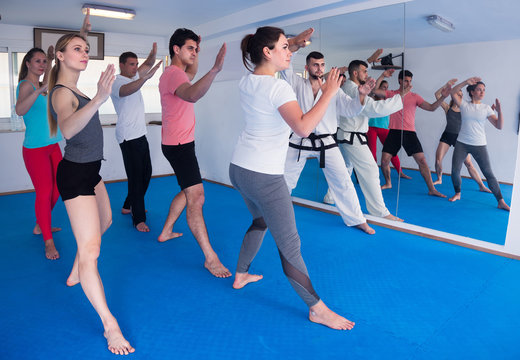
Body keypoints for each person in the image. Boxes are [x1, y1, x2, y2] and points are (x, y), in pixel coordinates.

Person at [231, 26, 355, 331]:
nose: (290, 52)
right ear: (267, 52)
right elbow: (302, 127)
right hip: (265, 177)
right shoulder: (278, 88)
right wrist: (328, 93)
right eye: (285, 47)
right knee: (290, 245)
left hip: (239, 169)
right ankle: (317, 309)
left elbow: (273, 70)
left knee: (260, 221)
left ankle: (241, 273)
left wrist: (295, 43)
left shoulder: (247, 81)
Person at [48, 33, 134, 355]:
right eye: (76, 49)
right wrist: (99, 99)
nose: (84, 53)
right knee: (92, 250)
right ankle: (110, 325)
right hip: (74, 177)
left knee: (106, 221)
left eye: (86, 49)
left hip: (90, 172)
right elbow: (67, 129)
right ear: (60, 56)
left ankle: (76, 269)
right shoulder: (61, 93)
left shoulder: (79, 89)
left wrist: (96, 95)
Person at [280, 32, 375, 234]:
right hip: (300, 140)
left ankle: (357, 219)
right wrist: (295, 46)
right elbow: (286, 67)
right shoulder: (297, 84)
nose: (319, 68)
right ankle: (274, 213)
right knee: (284, 180)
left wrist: (361, 95)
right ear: (307, 67)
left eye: (322, 65)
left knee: (342, 180)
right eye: (315, 65)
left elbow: (350, 109)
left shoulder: (333, 89)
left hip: (326, 142)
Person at [158, 28, 231, 278]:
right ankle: (210, 259)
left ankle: (166, 230)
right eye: (190, 48)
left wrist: (197, 53)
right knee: (196, 197)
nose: (194, 53)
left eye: (196, 49)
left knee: (188, 189)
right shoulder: (171, 75)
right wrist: (215, 70)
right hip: (178, 147)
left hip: (180, 143)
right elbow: (192, 95)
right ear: (176, 50)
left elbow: (191, 74)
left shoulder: (179, 73)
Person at [326, 59, 403, 221]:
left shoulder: (350, 88)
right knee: (371, 171)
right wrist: (399, 98)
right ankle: (379, 211)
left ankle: (330, 197)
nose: (367, 74)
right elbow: (374, 108)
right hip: (352, 137)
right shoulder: (353, 89)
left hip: (348, 135)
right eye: (364, 71)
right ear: (355, 73)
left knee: (345, 170)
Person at [15, 46, 63, 260]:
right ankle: (47, 240)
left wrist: (52, 60)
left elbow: (49, 76)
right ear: (28, 63)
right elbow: (19, 110)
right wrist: (38, 90)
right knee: (44, 193)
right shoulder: (25, 85)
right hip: (35, 150)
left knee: (58, 189)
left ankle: (40, 224)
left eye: (44, 62)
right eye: (38, 61)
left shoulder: (42, 83)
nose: (42, 65)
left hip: (53, 145)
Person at [110, 44, 163, 232]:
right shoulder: (117, 82)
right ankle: (138, 218)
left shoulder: (134, 76)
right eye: (131, 64)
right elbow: (127, 91)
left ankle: (127, 205)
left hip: (140, 134)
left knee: (146, 173)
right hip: (127, 137)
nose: (135, 67)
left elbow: (148, 64)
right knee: (136, 177)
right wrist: (145, 78)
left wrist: (153, 54)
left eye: (136, 64)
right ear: (122, 65)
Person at [377, 70, 450, 196]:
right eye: (405, 80)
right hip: (394, 132)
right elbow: (374, 91)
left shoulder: (415, 97)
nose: (408, 83)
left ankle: (432, 189)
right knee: (384, 161)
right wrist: (383, 76)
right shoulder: (392, 94)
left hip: (409, 133)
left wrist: (443, 97)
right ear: (399, 81)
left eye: (410, 81)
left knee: (422, 161)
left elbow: (432, 108)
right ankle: (388, 183)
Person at [448, 77, 510, 211]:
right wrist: (465, 82)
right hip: (462, 143)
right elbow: (452, 92)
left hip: (479, 144)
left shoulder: (486, 108)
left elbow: (499, 126)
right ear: (472, 92)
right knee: (455, 170)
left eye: (484, 90)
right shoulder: (464, 105)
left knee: (488, 173)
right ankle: (458, 193)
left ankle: (500, 201)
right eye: (479, 90)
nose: (482, 92)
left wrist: (500, 112)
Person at [432, 79, 491, 193]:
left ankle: (481, 185)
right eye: (457, 94)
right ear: (453, 96)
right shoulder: (447, 108)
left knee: (469, 164)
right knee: (438, 160)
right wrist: (447, 85)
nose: (459, 96)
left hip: (460, 138)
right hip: (447, 136)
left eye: (461, 95)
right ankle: (439, 178)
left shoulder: (465, 108)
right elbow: (437, 95)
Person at [366, 80, 408, 178]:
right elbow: (370, 95)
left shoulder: (388, 97)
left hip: (384, 128)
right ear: (379, 87)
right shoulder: (372, 98)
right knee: (372, 152)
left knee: (391, 151)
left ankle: (400, 171)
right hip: (372, 127)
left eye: (387, 87)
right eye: (383, 86)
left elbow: (398, 99)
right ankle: (373, 173)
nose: (385, 88)